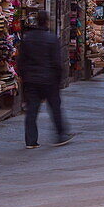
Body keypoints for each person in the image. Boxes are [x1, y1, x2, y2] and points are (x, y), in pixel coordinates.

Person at [19, 10, 73, 149]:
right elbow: (57, 62)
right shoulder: (51, 39)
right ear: (47, 21)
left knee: (32, 110)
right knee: (55, 108)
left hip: (31, 79)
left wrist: (24, 77)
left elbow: (21, 61)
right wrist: (59, 79)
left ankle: (31, 141)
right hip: (49, 79)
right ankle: (61, 135)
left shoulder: (27, 38)